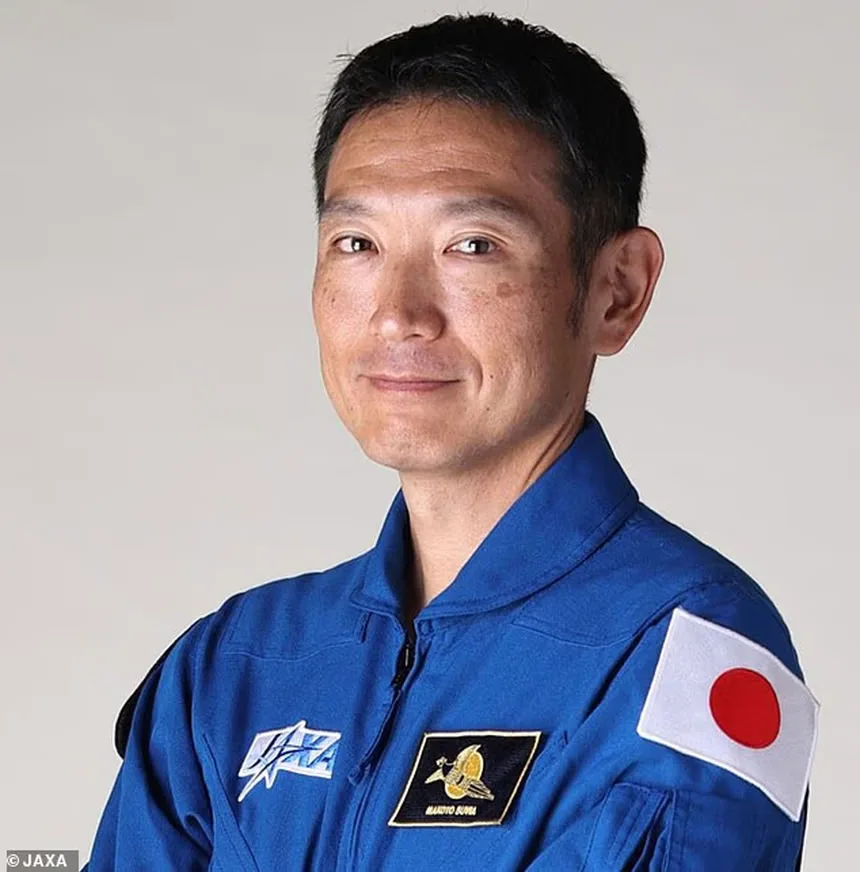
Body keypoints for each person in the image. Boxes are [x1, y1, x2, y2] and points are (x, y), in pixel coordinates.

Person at [82, 12, 819, 870]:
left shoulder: (686, 659)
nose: (398, 314)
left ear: (615, 291)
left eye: (473, 245)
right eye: (357, 243)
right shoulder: (233, 667)